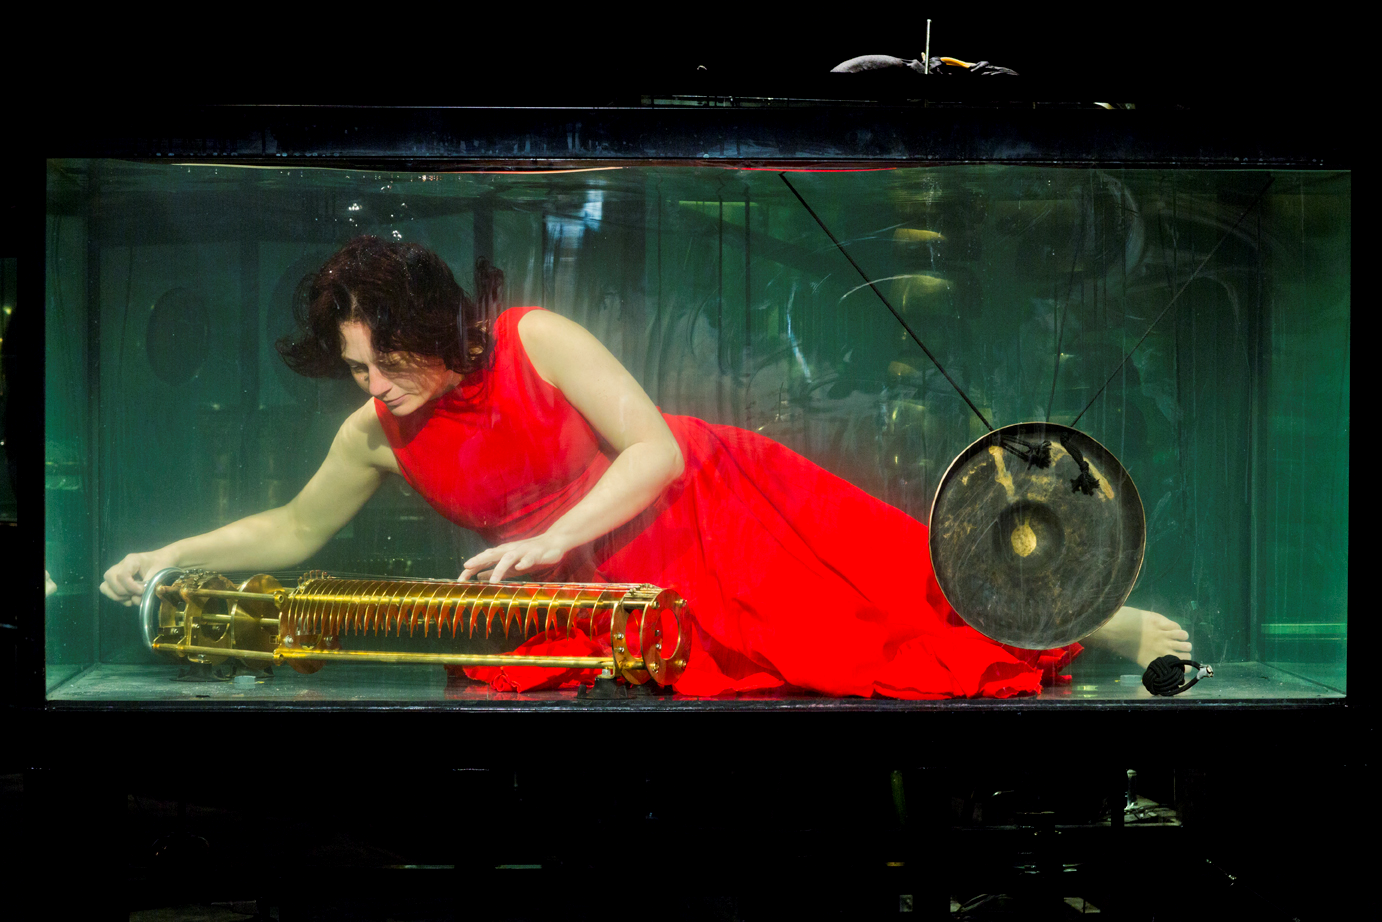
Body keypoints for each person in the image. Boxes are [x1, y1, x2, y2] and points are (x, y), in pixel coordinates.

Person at [100, 236, 1191, 698]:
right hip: (593, 583)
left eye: (390, 360)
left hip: (712, 498)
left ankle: (1096, 622)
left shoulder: (533, 337)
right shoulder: (375, 433)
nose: (376, 385)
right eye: (355, 369)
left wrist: (545, 539)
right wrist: (167, 553)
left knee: (896, 597)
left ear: (435, 326)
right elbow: (293, 528)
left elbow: (657, 452)